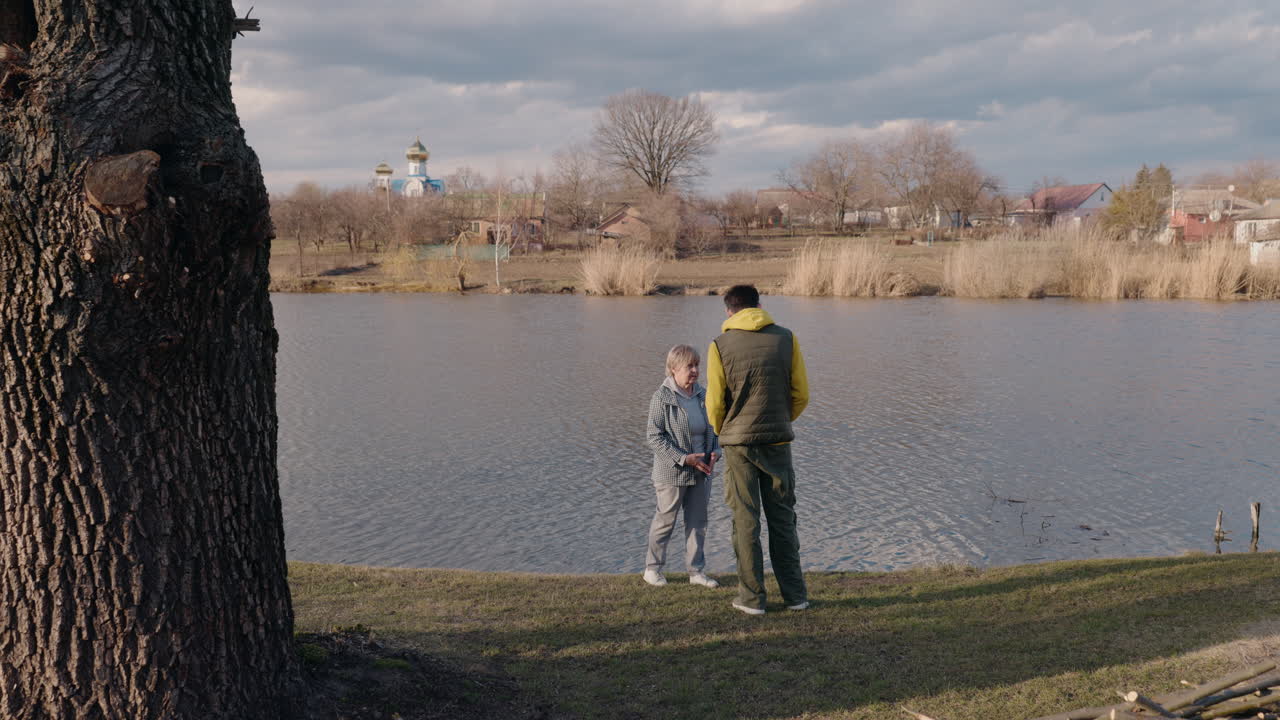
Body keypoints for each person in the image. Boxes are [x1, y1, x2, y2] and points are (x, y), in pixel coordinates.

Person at [706, 285, 809, 615]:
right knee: (783, 519)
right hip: (778, 442)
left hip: (739, 445)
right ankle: (795, 597)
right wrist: (781, 419)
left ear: (729, 311)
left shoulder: (719, 345)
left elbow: (714, 404)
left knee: (745, 520)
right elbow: (801, 394)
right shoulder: (787, 338)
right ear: (759, 305)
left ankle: (752, 600)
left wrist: (723, 430)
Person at [643, 344, 722, 589]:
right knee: (665, 522)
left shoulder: (703, 395)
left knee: (698, 523)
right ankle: (652, 569)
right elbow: (654, 437)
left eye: (697, 365)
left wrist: (715, 453)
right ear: (674, 368)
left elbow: (714, 430)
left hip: (702, 471)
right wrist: (683, 458)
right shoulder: (661, 397)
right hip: (672, 472)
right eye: (690, 366)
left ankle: (696, 572)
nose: (695, 370)